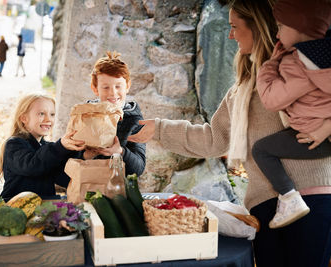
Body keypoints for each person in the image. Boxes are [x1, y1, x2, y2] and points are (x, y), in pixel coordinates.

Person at [127, 0, 331, 266]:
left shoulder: (299, 69)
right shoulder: (243, 88)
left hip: (311, 199)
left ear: (257, 27)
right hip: (266, 207)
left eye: (235, 26)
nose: (230, 34)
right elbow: (214, 139)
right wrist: (159, 129)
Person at [252, 0, 331, 229]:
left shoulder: (297, 64)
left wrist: (270, 63)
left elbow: (271, 99)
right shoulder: (324, 59)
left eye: (281, 26)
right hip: (324, 133)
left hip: (312, 137)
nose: (277, 33)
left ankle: (289, 198)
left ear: (300, 27)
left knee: (262, 149)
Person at [58, 51, 146, 186]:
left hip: (119, 194)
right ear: (95, 89)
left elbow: (138, 168)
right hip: (85, 188)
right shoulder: (84, 116)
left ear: (127, 86)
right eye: (105, 87)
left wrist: (120, 152)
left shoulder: (135, 121)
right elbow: (66, 163)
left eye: (118, 86)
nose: (113, 93)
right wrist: (86, 155)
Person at [0, 94, 86, 201]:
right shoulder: (14, 144)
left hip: (43, 204)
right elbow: (33, 166)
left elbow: (64, 179)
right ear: (24, 118)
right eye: (41, 114)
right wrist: (60, 146)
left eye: (52, 114)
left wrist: (84, 154)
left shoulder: (47, 148)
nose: (48, 119)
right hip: (14, 206)